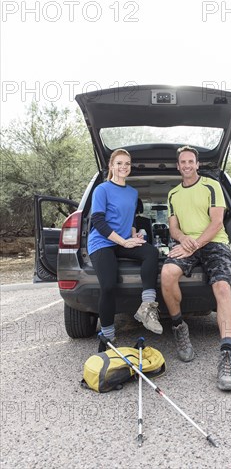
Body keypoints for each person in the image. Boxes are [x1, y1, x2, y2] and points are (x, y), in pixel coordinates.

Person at [161, 146, 231, 391]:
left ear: (197, 164)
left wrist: (195, 245)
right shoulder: (172, 194)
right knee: (167, 274)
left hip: (214, 243)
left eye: (190, 161)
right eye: (182, 162)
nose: (186, 165)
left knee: (222, 286)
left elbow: (217, 222)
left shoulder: (211, 186)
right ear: (178, 166)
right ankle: (179, 328)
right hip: (187, 244)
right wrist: (183, 239)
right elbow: (173, 228)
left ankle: (227, 354)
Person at [88, 148, 163, 352]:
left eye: (127, 164)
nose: (123, 167)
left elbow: (127, 219)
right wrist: (123, 241)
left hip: (123, 240)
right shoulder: (102, 190)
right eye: (119, 163)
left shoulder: (132, 192)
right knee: (109, 285)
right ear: (111, 166)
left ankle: (147, 307)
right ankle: (107, 337)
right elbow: (98, 221)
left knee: (150, 252)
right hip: (102, 242)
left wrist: (133, 234)